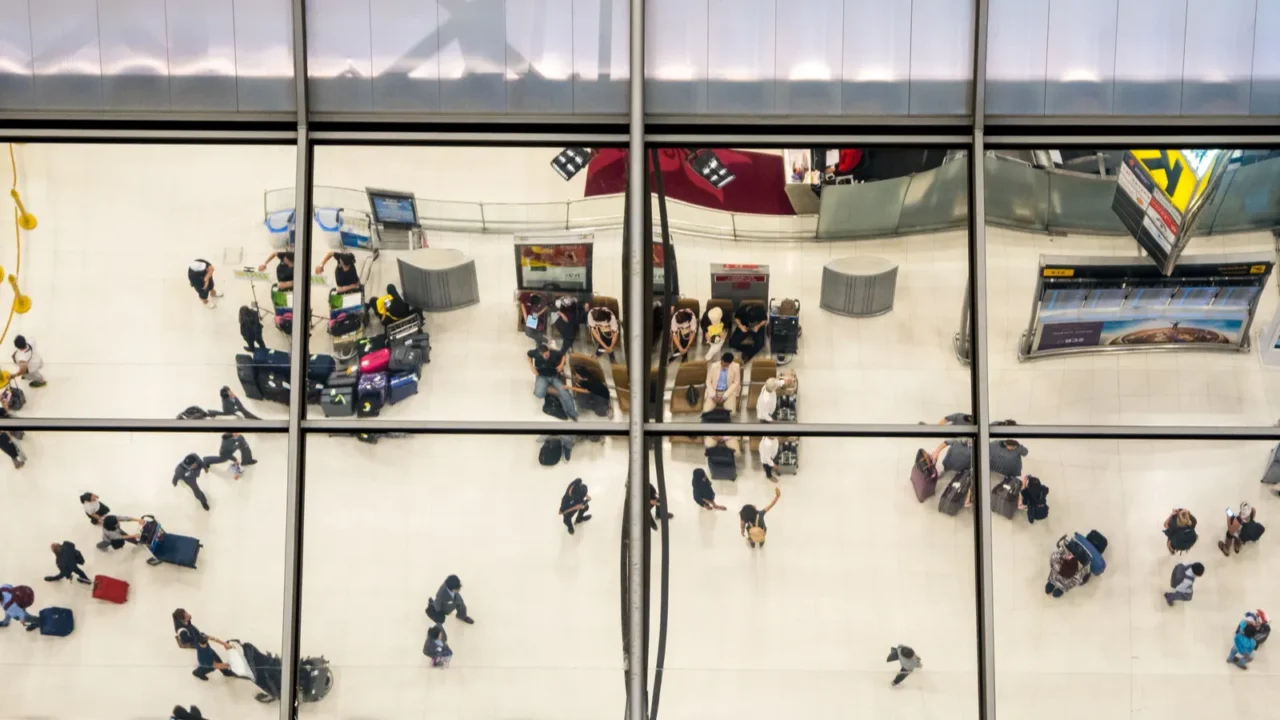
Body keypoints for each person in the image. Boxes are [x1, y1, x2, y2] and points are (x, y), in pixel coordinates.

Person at [527, 343, 579, 420]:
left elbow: (563, 355)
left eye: (547, 354)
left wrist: (561, 365)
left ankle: (572, 413)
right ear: (540, 353)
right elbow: (528, 355)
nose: (546, 356)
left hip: (554, 376)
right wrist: (531, 367)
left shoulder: (554, 353)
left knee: (565, 393)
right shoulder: (536, 353)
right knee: (539, 394)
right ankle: (555, 392)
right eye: (544, 355)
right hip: (542, 376)